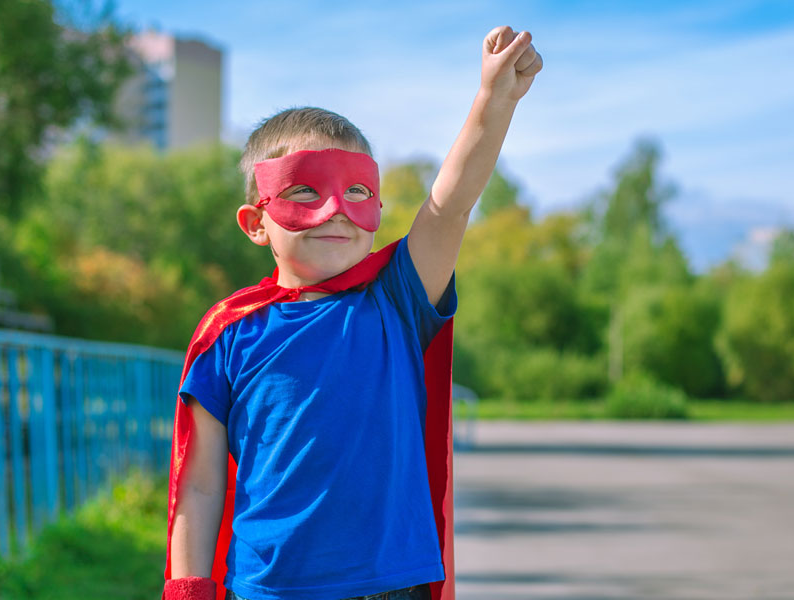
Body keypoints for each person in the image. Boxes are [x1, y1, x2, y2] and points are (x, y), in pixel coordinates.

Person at [162, 26, 542, 600]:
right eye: (306, 192)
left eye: (359, 192)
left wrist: (495, 97)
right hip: (270, 589)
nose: (336, 210)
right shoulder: (229, 333)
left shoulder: (396, 299)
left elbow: (452, 202)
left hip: (391, 587)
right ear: (256, 222)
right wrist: (188, 590)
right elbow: (199, 484)